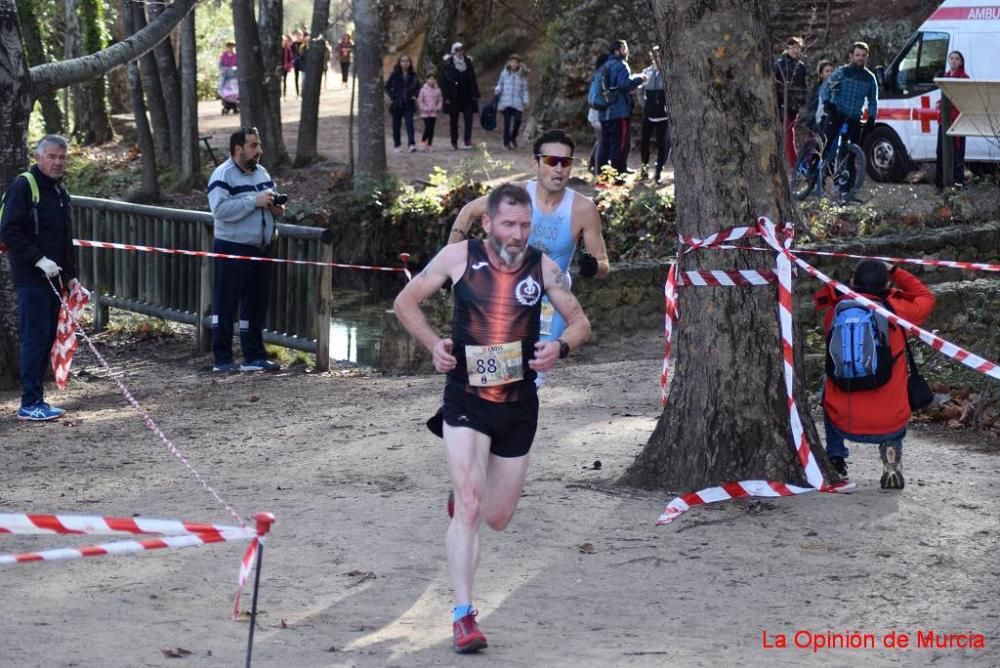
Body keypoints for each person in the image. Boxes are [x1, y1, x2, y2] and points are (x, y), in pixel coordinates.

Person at [393, 183, 591, 653]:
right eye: (508, 224)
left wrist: (560, 346)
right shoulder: (459, 257)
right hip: (466, 396)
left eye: (524, 225)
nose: (517, 233)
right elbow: (406, 302)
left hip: (519, 403)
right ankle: (464, 616)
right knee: (470, 504)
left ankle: (465, 494)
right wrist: (434, 345)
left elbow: (581, 321)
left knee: (497, 517)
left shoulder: (543, 266)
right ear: (488, 223)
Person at [449, 130, 609, 385]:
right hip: (505, 296)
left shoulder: (583, 208)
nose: (559, 169)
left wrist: (592, 267)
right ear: (535, 164)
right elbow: (468, 212)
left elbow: (604, 265)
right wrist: (453, 263)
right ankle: (474, 416)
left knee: (530, 378)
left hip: (550, 302)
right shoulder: (515, 195)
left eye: (565, 162)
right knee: (491, 377)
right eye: (551, 161)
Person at [814, 260, 935, 489]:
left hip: (844, 421)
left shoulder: (836, 311)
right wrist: (896, 271)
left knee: (828, 386)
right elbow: (926, 297)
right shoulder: (898, 309)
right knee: (896, 388)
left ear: (852, 282)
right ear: (886, 284)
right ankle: (891, 454)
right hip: (890, 423)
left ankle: (836, 458)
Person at [0, 135, 78, 421]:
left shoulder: (60, 192)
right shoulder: (24, 186)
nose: (58, 162)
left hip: (56, 279)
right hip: (31, 278)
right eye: (52, 157)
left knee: (46, 339)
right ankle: (29, 402)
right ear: (39, 158)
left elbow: (64, 239)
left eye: (62, 157)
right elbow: (8, 230)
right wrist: (38, 259)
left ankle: (38, 400)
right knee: (33, 339)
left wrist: (71, 277)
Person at [206, 128, 285, 373]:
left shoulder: (261, 172)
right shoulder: (223, 175)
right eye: (253, 146)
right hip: (232, 246)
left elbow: (270, 200)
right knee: (225, 304)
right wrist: (254, 201)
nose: (259, 150)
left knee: (256, 304)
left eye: (259, 145)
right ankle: (222, 359)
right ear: (238, 149)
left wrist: (276, 208)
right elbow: (219, 211)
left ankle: (254, 356)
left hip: (261, 247)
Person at [823, 41, 879, 200]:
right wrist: (828, 102)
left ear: (867, 57)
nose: (860, 58)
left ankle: (849, 191)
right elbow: (826, 87)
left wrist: (872, 118)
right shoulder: (842, 72)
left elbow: (873, 100)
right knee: (825, 144)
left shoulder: (870, 78)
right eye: (857, 55)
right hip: (837, 113)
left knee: (850, 154)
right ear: (851, 56)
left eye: (863, 55)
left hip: (854, 118)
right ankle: (813, 171)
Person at [596, 40, 647, 181]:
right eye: (624, 48)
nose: (627, 51)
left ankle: (602, 177)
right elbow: (625, 84)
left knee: (605, 144)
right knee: (619, 145)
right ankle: (618, 177)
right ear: (618, 50)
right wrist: (640, 78)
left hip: (604, 112)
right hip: (618, 112)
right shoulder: (621, 65)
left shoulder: (605, 65)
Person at [936, 50, 969, 190]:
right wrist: (939, 103)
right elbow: (944, 96)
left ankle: (958, 183)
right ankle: (941, 184)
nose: (954, 61)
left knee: (957, 152)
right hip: (944, 120)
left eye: (957, 59)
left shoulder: (964, 78)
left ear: (961, 62)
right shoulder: (945, 77)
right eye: (952, 58)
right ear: (949, 61)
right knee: (941, 151)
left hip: (958, 119)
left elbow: (965, 99)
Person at [773, 37, 808, 168]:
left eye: (798, 48)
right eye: (793, 47)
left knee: (789, 133)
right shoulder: (779, 64)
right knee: (788, 136)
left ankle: (793, 164)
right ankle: (795, 165)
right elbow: (775, 87)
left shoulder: (801, 66)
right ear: (787, 48)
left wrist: (801, 100)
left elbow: (803, 86)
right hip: (782, 105)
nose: (795, 50)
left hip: (794, 107)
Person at [638, 47, 671, 183]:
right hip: (649, 114)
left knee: (663, 145)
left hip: (664, 116)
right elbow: (640, 91)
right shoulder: (646, 72)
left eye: (659, 55)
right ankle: (644, 170)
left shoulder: (668, 72)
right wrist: (645, 106)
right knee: (644, 143)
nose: (657, 58)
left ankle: (658, 171)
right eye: (655, 56)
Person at [442, 42, 481, 150]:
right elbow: (444, 82)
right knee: (454, 120)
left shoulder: (468, 62)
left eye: (461, 49)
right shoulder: (448, 64)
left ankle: (467, 140)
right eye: (457, 50)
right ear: (453, 51)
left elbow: (473, 78)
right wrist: (446, 97)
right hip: (454, 95)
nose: (459, 52)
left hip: (467, 95)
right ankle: (454, 142)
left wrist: (476, 93)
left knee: (469, 118)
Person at [385, 55, 420, 153]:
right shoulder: (395, 74)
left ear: (410, 63)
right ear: (399, 63)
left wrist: (415, 95)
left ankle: (412, 144)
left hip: (409, 104)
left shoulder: (413, 75)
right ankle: (397, 144)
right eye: (403, 61)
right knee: (396, 125)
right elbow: (387, 86)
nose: (405, 63)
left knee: (410, 124)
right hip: (397, 104)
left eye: (407, 61)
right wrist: (393, 96)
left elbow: (418, 87)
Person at [494, 54, 529, 150]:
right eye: (512, 62)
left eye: (516, 62)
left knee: (518, 121)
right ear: (509, 63)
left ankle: (513, 137)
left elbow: (524, 89)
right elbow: (500, 84)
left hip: (518, 102)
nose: (514, 64)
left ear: (519, 64)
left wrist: (526, 101)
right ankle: (506, 143)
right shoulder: (504, 73)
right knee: (507, 122)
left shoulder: (522, 75)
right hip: (506, 102)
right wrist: (497, 89)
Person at [587, 53, 610, 175]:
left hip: (593, 114)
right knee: (603, 142)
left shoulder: (597, 75)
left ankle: (592, 165)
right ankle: (598, 171)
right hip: (598, 115)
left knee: (599, 140)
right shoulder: (602, 76)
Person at [804, 59, 835, 133]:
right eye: (827, 71)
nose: (830, 73)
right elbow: (811, 108)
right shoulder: (816, 90)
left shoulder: (836, 89)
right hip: (818, 124)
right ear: (821, 74)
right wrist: (812, 124)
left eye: (832, 71)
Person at [418, 73, 443, 151]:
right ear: (426, 80)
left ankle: (429, 144)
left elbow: (440, 100)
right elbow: (420, 100)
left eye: (433, 79)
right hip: (425, 113)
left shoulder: (438, 90)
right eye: (430, 79)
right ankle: (423, 141)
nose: (431, 81)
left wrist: (438, 107)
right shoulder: (423, 90)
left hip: (434, 112)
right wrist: (424, 108)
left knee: (432, 129)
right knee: (428, 127)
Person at [281, 34, 294, 99]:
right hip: (279, 67)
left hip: (285, 67)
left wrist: (288, 65)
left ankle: (284, 95)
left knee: (285, 81)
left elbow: (290, 59)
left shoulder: (288, 49)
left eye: (284, 40)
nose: (283, 42)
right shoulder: (278, 49)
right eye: (282, 40)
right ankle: (280, 94)